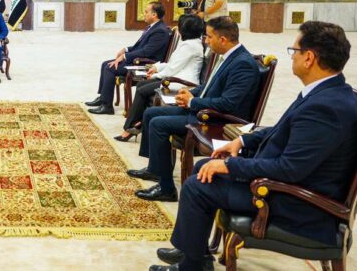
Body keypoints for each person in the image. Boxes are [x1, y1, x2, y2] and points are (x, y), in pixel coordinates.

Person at [150, 21, 356, 271]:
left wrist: (230, 166)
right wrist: (242, 140)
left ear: (309, 58)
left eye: (294, 50)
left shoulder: (325, 108)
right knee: (203, 168)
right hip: (289, 187)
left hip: (297, 204)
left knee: (197, 186)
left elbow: (289, 168)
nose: (292, 56)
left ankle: (191, 266)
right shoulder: (329, 93)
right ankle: (195, 255)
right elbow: (282, 130)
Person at [129, 16, 259, 202]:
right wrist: (190, 92)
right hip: (204, 110)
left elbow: (229, 104)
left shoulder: (243, 64)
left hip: (217, 120)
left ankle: (166, 189)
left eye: (209, 37)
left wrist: (192, 102)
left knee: (158, 124)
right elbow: (209, 86)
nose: (205, 41)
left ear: (222, 39)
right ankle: (155, 170)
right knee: (150, 113)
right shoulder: (229, 56)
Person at [115, 15, 205, 142]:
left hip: (182, 82)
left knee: (142, 90)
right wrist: (157, 67)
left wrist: (155, 75)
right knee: (141, 86)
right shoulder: (189, 43)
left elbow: (173, 68)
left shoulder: (191, 46)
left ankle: (129, 128)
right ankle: (138, 124)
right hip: (174, 76)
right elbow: (172, 63)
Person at [86, 2, 171, 115]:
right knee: (105, 64)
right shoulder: (154, 27)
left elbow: (147, 51)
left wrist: (125, 56)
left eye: (146, 12)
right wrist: (125, 49)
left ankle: (107, 106)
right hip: (139, 59)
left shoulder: (160, 31)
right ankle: (103, 98)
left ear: (154, 14)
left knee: (109, 68)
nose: (144, 14)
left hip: (146, 64)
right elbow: (140, 47)